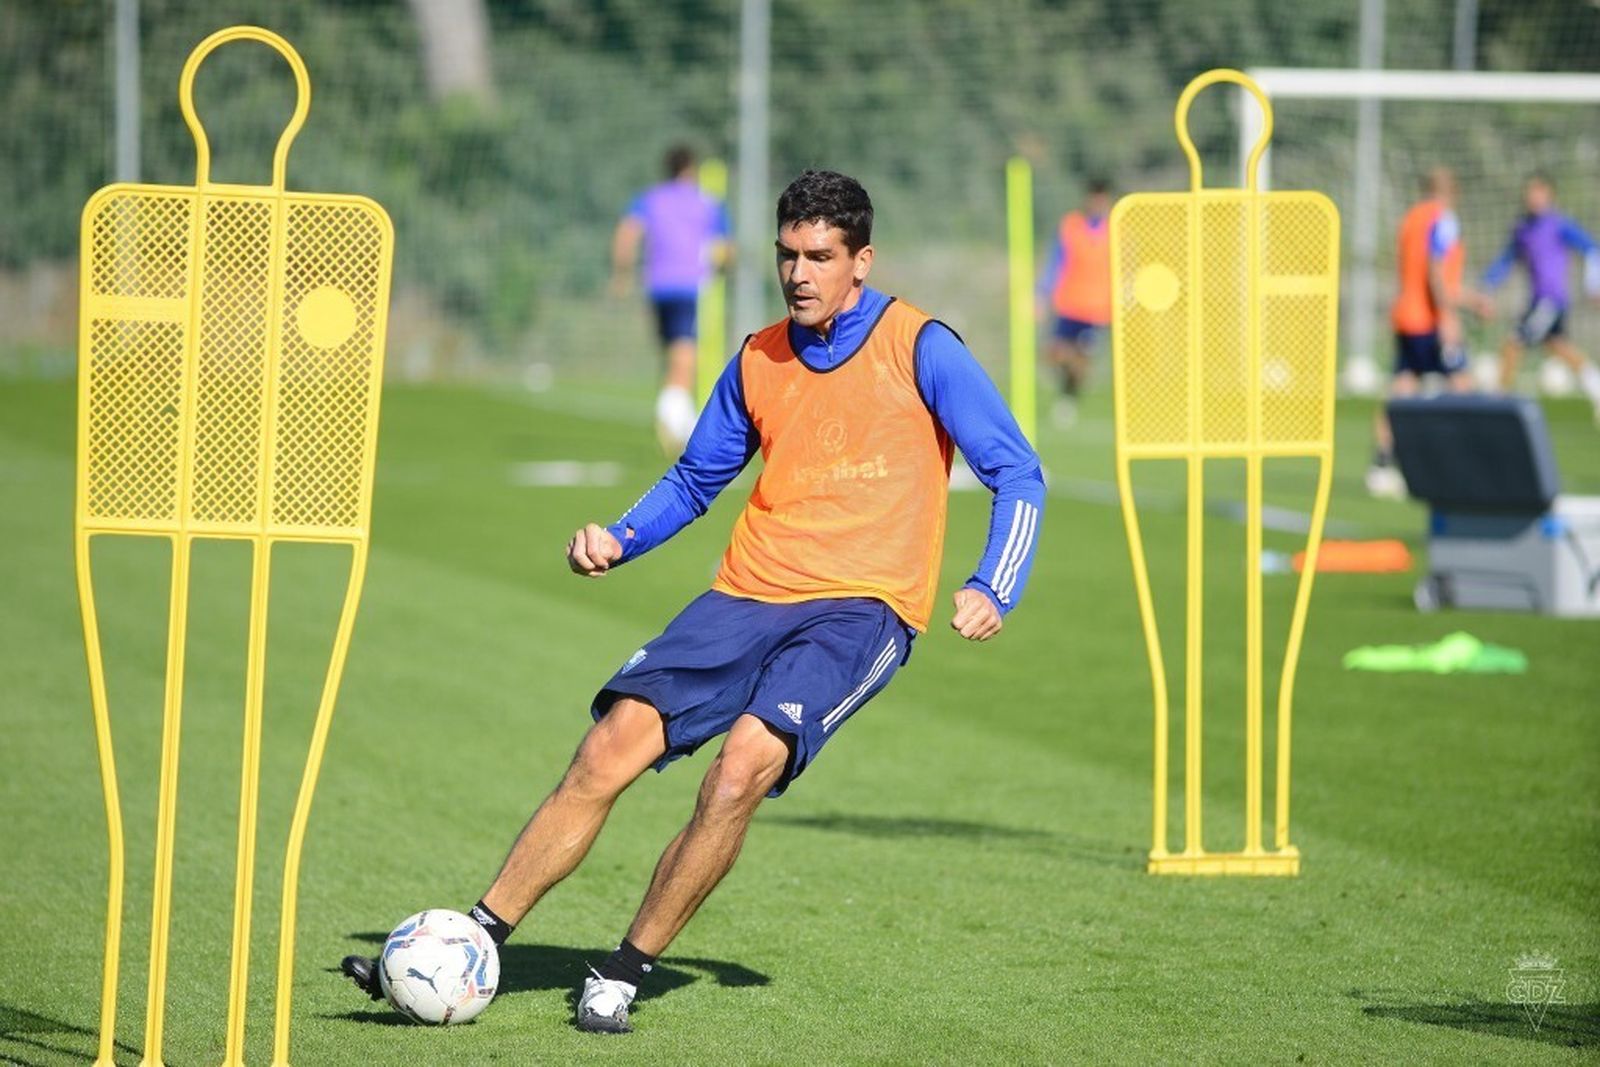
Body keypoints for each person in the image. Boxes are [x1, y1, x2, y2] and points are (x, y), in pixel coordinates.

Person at [341, 170, 1046, 1033]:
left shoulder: (922, 344)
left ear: (861, 261)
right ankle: (473, 944)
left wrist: (991, 584)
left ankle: (623, 969)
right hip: (746, 593)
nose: (798, 273)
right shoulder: (758, 356)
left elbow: (1019, 471)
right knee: (607, 749)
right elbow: (695, 477)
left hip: (862, 608)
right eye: (786, 254)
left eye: (819, 257)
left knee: (739, 768)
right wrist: (620, 537)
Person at [1366, 168, 1490, 499]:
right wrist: (1448, 315)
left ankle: (1381, 464)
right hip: (1430, 319)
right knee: (1463, 385)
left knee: (1402, 387)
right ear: (1453, 192)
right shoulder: (1443, 219)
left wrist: (1469, 299)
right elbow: (1436, 271)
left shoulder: (1410, 219)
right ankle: (1473, 460)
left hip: (1406, 316)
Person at [610, 144, 730, 454]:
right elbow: (725, 249)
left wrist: (622, 273)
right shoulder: (706, 202)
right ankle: (674, 415)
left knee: (673, 353)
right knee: (685, 354)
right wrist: (723, 265)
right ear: (691, 169)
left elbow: (626, 233)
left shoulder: (651, 199)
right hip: (688, 286)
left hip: (657, 287)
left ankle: (675, 412)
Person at [1481, 172, 1600, 424]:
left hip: (1552, 300)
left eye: (1539, 192)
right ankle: (1596, 387)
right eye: (1530, 192)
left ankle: (1499, 401)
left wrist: (1594, 285)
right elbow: (1506, 260)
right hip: (1537, 302)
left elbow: (1591, 248)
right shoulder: (1522, 228)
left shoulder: (1559, 224)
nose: (1533, 198)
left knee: (1514, 341)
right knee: (1556, 345)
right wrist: (1487, 286)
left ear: (1549, 195)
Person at [1038, 177, 1113, 428]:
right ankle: (1068, 387)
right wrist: (1042, 292)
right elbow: (1055, 262)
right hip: (1069, 304)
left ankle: (1068, 399)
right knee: (1056, 354)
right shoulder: (1071, 225)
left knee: (1081, 361)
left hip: (1098, 310)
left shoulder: (1116, 228)